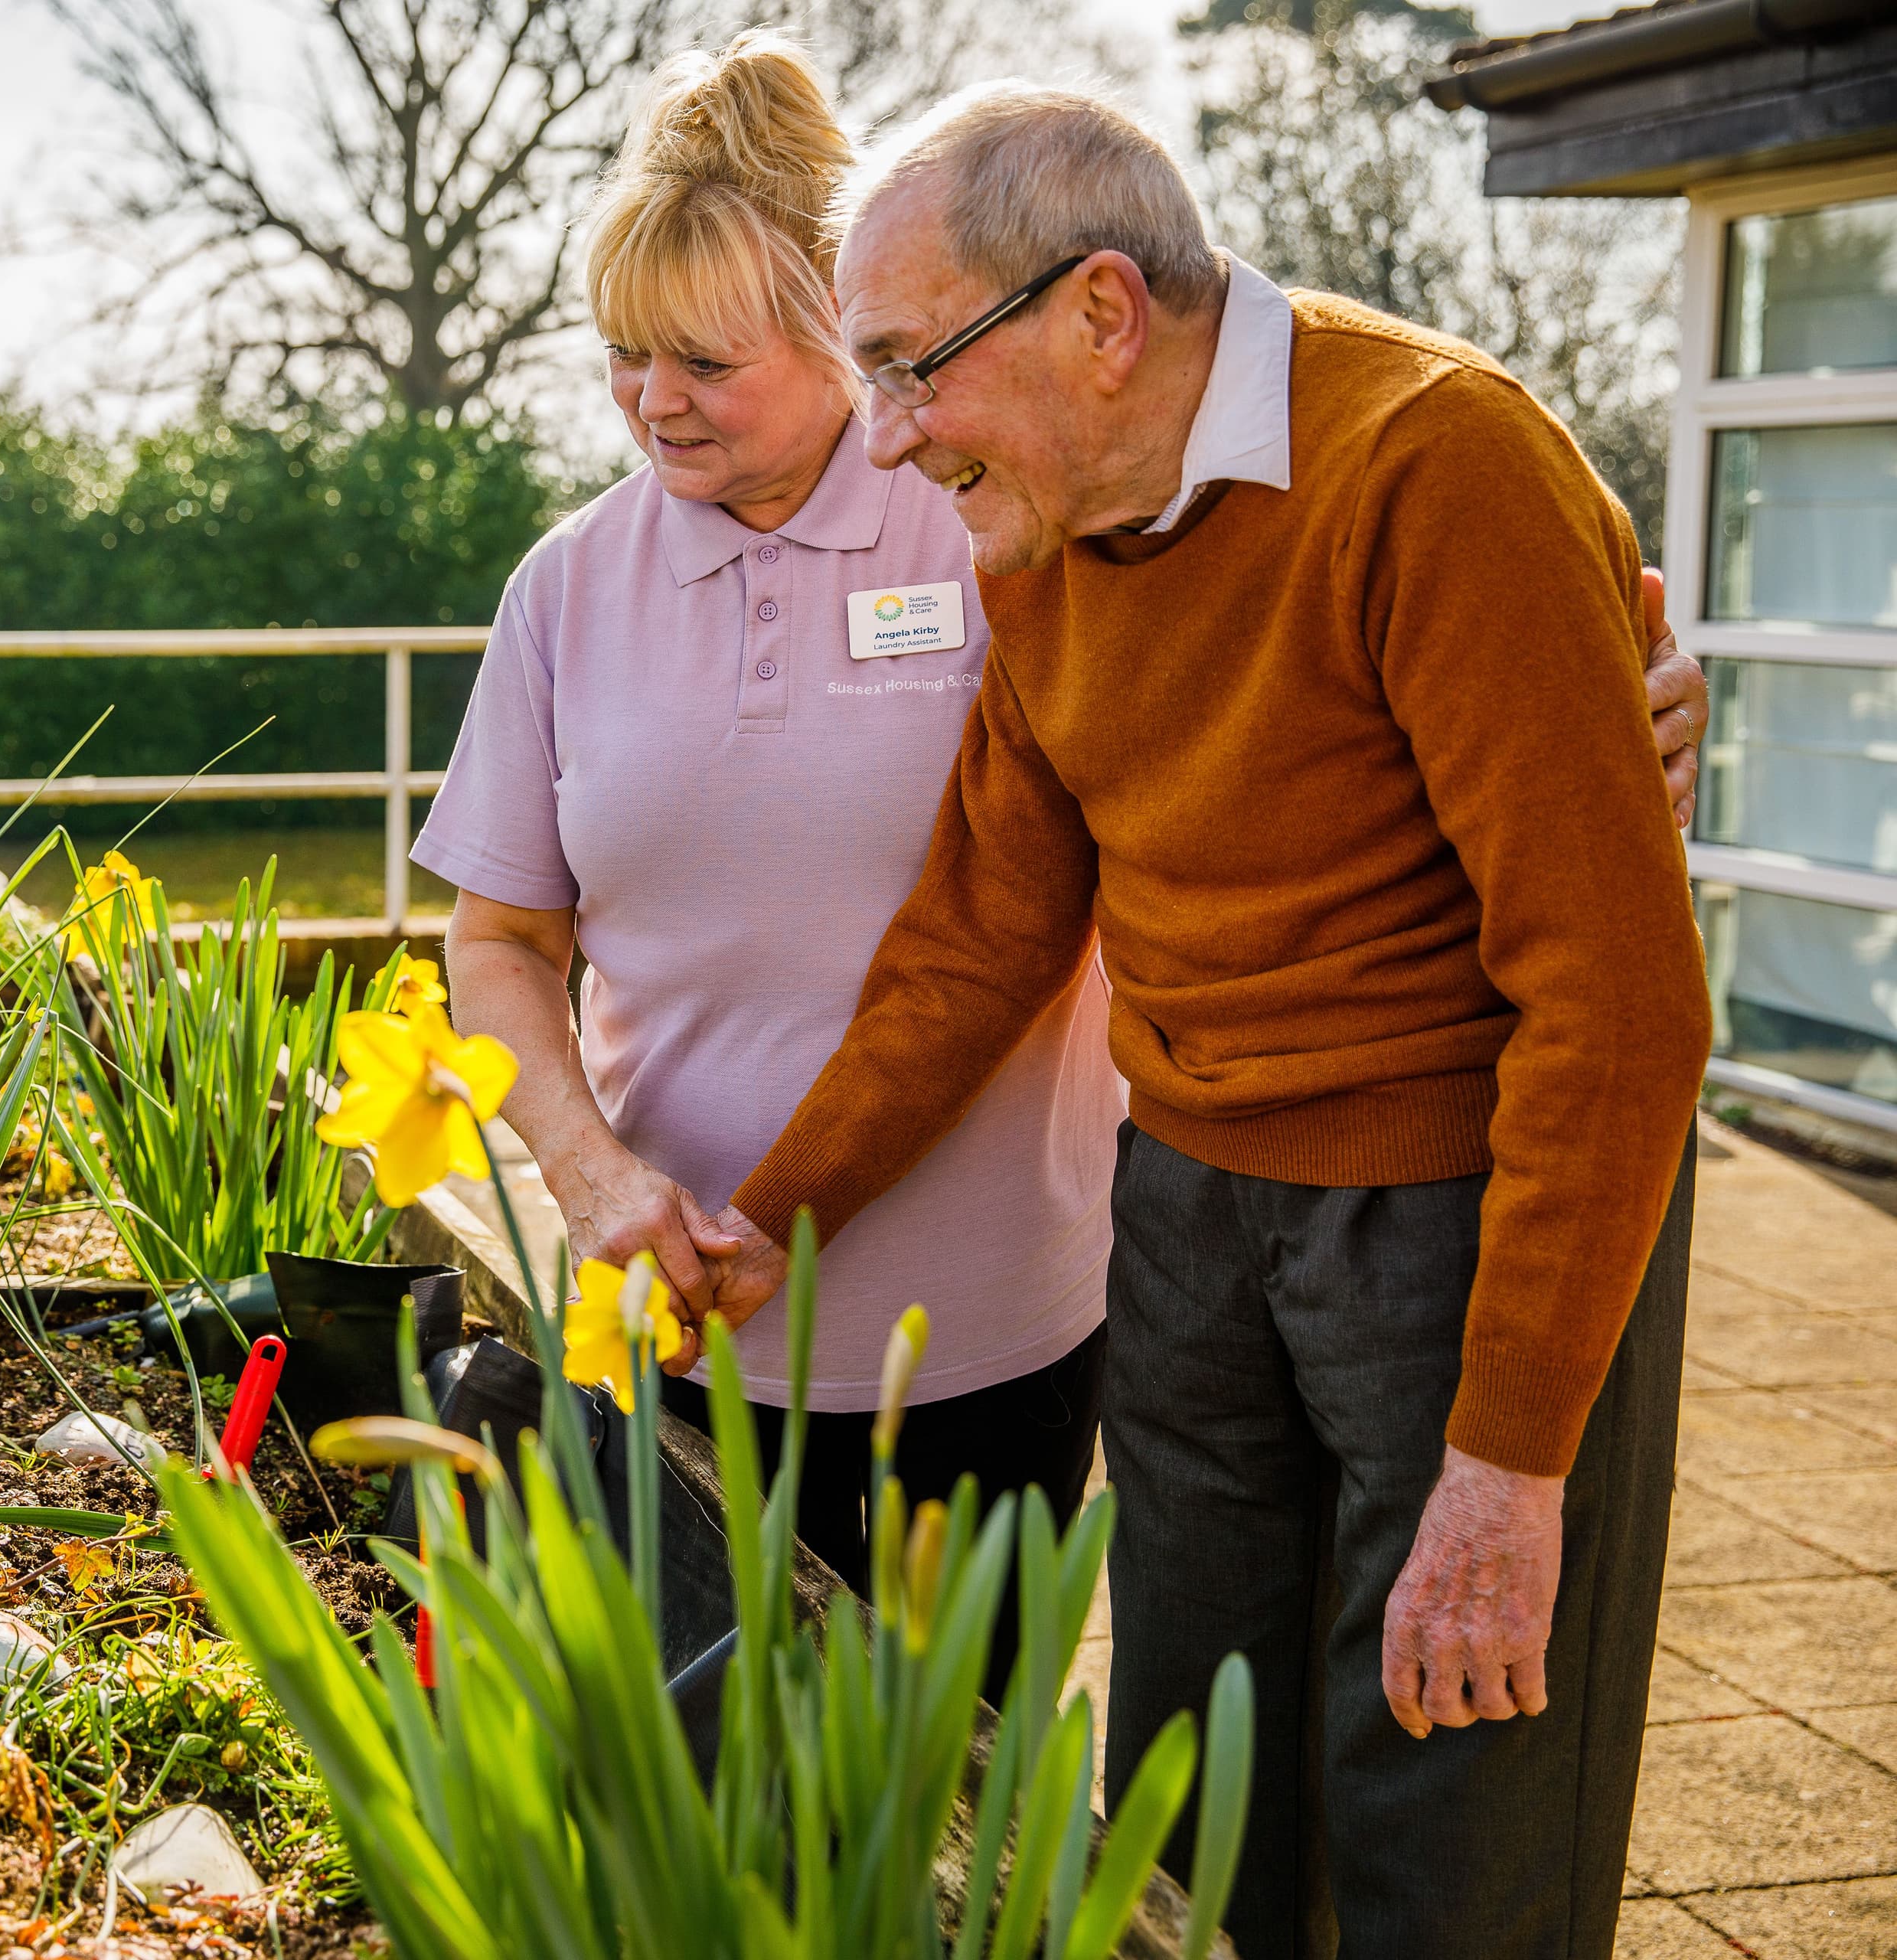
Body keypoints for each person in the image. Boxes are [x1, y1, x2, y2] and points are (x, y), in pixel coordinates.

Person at [416, 37, 1709, 1648]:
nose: (652, 402)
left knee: (1005, 1779)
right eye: (624, 355)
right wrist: (648, 1188)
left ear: (845, 339)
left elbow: (1279, 567)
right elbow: (526, 938)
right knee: (743, 1759)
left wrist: (1604, 697)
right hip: (722, 1297)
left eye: (705, 360)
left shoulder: (1017, 499)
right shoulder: (591, 581)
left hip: (1039, 1296)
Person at [691, 85, 1710, 1960]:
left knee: (1455, 1810)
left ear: (1100, 314)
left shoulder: (1432, 461)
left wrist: (1514, 1453)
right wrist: (776, 1209)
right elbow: (982, 930)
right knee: (1193, 1791)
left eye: (913, 370)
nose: (891, 438)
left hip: (1463, 1212)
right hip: (1194, 1212)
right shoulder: (1047, 531)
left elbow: (1624, 997)